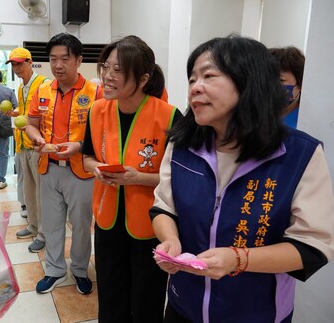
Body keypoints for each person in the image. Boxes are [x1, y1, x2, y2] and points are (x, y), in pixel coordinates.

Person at [150, 35, 334, 323]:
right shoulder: (182, 145)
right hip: (183, 306)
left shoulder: (300, 154)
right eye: (191, 79)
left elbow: (313, 246)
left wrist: (238, 259)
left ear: (249, 81)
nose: (195, 88)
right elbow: (163, 208)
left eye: (208, 75)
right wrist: (170, 240)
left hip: (257, 314)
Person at [82, 35, 183, 323]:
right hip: (107, 222)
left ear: (142, 78)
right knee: (111, 297)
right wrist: (97, 169)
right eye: (106, 67)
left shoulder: (169, 116)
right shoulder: (97, 110)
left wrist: (139, 177)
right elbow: (87, 156)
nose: (107, 76)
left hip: (151, 225)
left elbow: (178, 177)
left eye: (118, 70)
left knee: (146, 301)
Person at [26, 32, 103, 295]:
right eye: (53, 59)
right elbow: (31, 125)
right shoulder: (42, 90)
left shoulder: (96, 93)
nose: (58, 65)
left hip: (81, 171)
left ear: (79, 60)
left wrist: (80, 147)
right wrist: (36, 139)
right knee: (51, 222)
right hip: (48, 168)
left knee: (81, 224)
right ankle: (54, 269)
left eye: (64, 59)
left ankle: (80, 269)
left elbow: (104, 133)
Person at [6, 47, 50, 253]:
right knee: (29, 190)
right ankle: (33, 226)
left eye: (19, 63)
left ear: (30, 62)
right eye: (13, 64)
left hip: (37, 145)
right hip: (22, 144)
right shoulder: (21, 88)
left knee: (41, 192)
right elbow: (27, 114)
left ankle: (43, 233)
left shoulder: (44, 84)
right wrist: (14, 113)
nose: (16, 67)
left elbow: (47, 114)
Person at [269, 46, 305, 128]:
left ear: (300, 84)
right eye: (267, 79)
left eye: (281, 80)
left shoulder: (304, 122)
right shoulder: (252, 118)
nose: (271, 85)